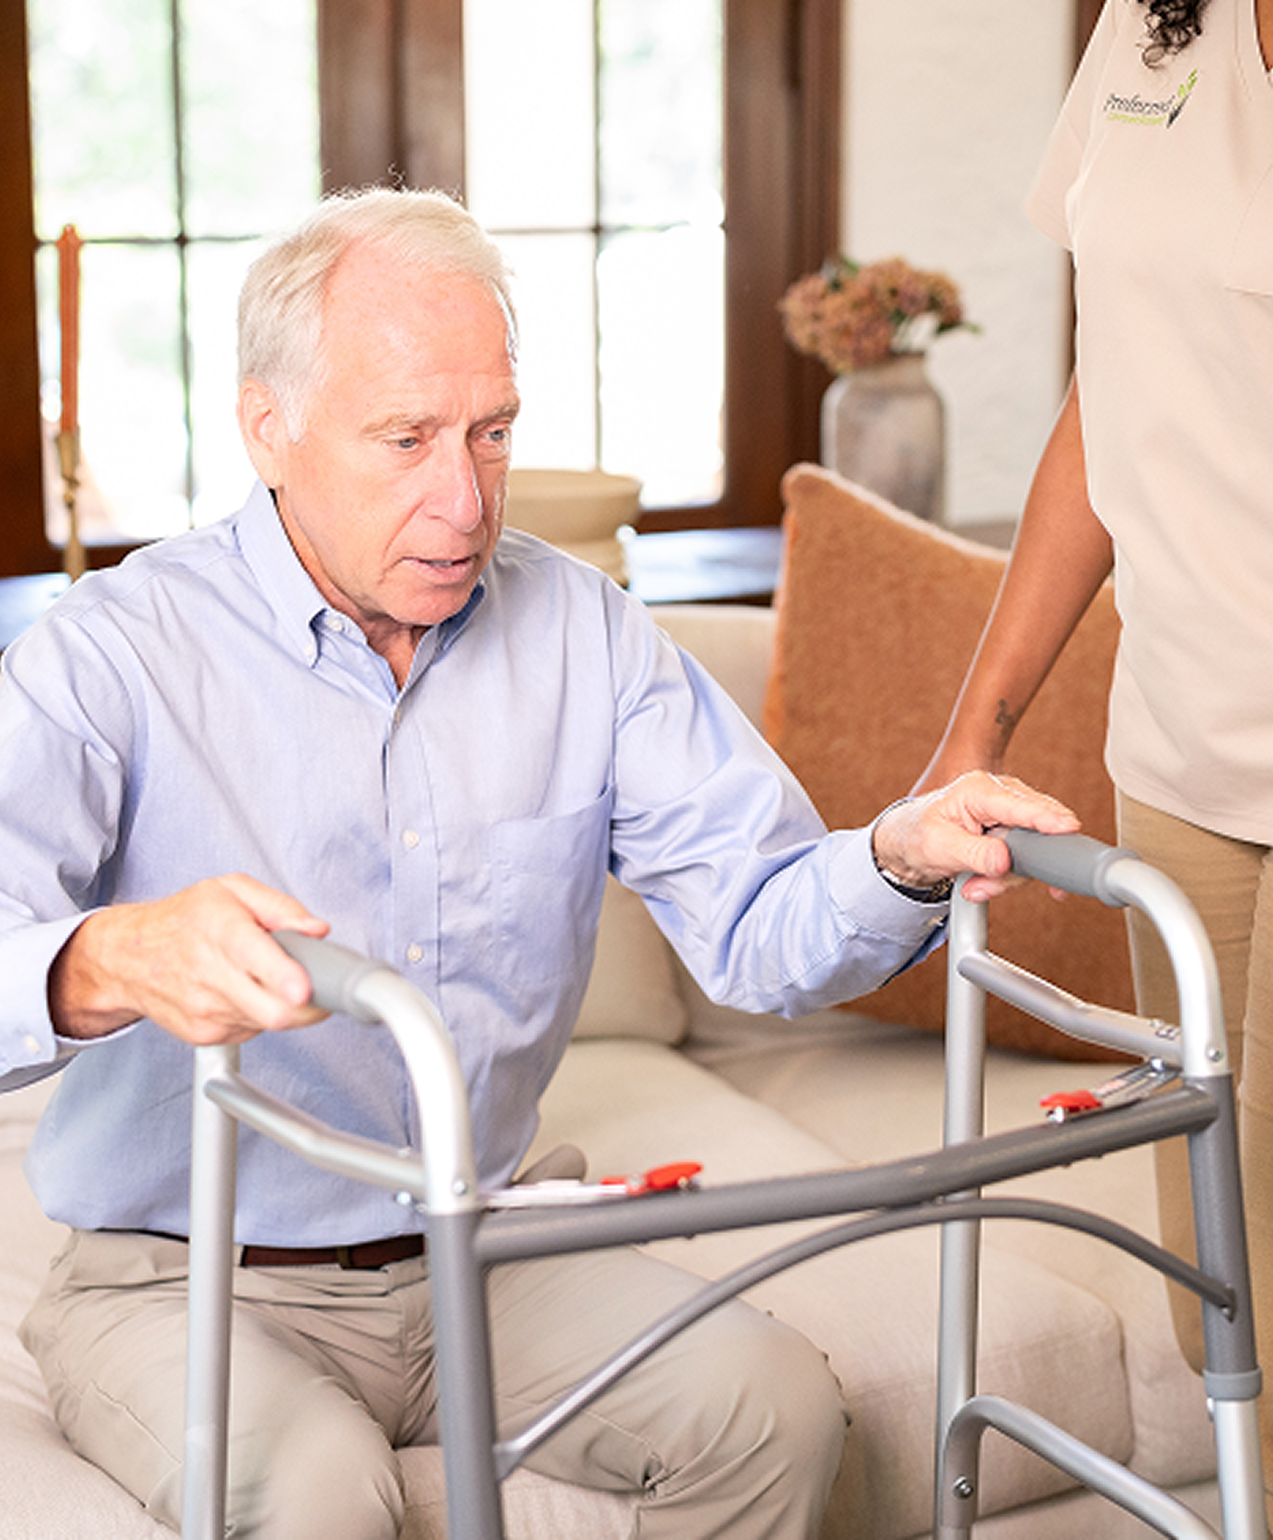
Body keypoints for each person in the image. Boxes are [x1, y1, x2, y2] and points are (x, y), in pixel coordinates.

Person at [0, 187, 1079, 1540]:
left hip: (484, 1240)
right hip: (182, 1275)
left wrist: (900, 858)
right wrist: (106, 957)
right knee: (323, 1497)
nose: (463, 498)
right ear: (267, 426)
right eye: (404, 440)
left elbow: (758, 922)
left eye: (490, 433)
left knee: (777, 1418)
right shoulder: (112, 650)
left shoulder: (590, 634)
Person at [915, 2, 1273, 1535]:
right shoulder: (1151, 34)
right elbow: (1113, 395)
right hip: (1176, 765)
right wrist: (980, 728)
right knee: (1217, 1308)